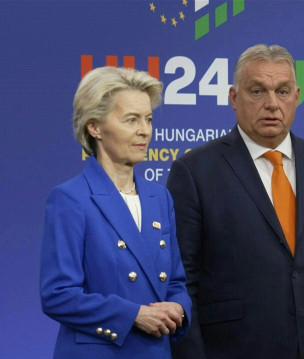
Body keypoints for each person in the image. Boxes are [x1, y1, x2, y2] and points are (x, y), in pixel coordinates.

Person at [167, 44, 304, 359]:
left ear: (297, 96)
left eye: (282, 91)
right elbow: (182, 283)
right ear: (234, 98)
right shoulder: (195, 171)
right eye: (257, 91)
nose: (272, 104)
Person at [40, 66, 192, 359]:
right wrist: (132, 315)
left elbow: (175, 282)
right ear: (94, 127)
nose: (145, 130)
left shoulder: (159, 197)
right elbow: (57, 295)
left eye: (148, 119)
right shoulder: (70, 199)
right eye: (131, 120)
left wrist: (179, 308)